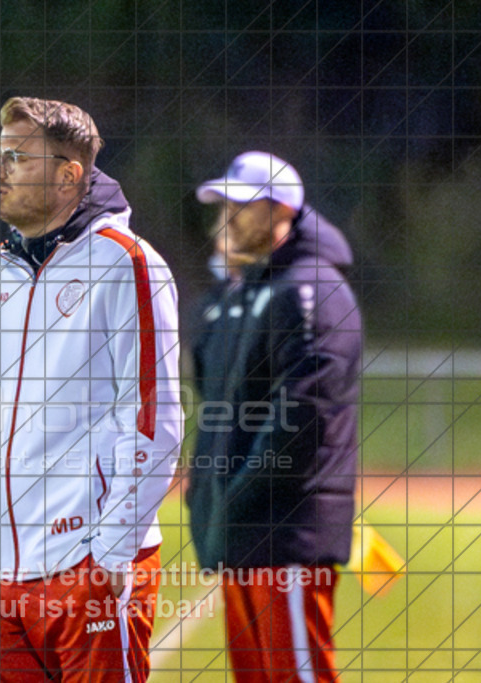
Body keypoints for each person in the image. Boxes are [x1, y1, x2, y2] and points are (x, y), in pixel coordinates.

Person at [0, 96, 183, 681]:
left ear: (68, 174)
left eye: (16, 159)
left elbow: (155, 420)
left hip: (85, 567)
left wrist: (111, 550)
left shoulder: (127, 263)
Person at [186, 151, 361, 681]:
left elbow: (304, 413)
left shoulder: (311, 288)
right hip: (247, 527)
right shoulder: (255, 290)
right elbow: (218, 395)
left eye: (241, 206)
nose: (227, 219)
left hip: (281, 529)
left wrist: (236, 489)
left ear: (281, 209)